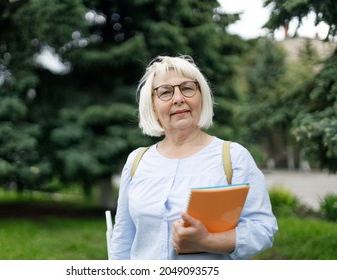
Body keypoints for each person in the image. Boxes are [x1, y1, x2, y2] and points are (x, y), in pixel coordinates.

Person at [110, 55, 278, 260]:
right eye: (165, 92)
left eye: (187, 88)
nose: (179, 98)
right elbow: (122, 238)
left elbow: (263, 229)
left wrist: (207, 241)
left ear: (201, 96)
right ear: (152, 105)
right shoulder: (137, 161)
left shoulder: (233, 158)